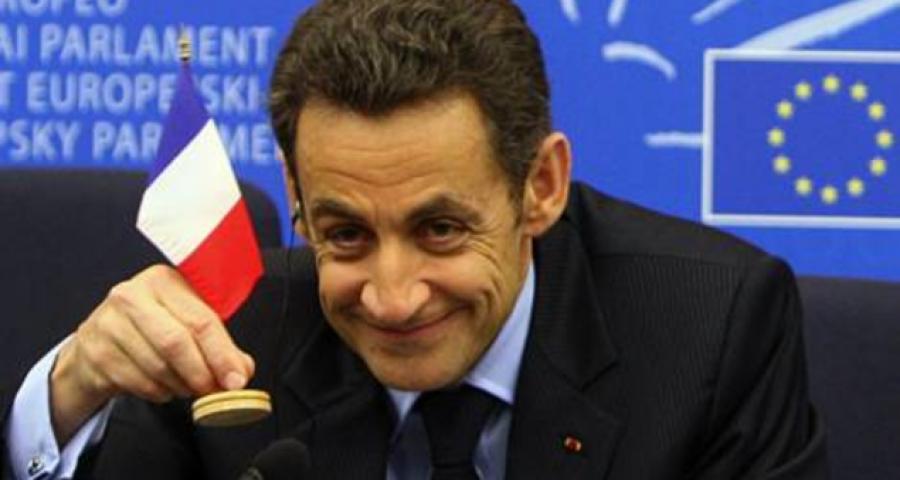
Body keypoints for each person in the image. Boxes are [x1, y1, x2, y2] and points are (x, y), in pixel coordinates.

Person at [3, 0, 827, 478]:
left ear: (540, 186)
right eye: (346, 234)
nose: (392, 298)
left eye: (440, 230)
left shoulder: (709, 328)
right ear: (296, 197)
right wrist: (69, 396)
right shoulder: (229, 335)